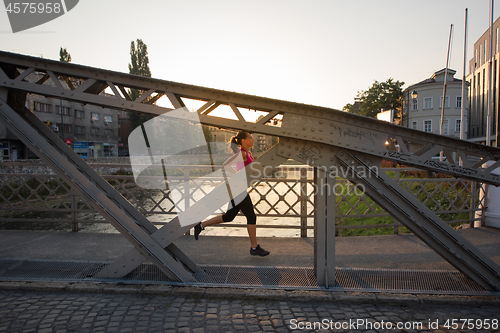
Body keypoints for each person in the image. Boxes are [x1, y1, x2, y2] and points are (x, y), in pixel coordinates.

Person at [193, 130, 270, 256]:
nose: (253, 139)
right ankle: (254, 247)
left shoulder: (248, 153)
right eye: (250, 138)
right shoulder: (242, 153)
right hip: (237, 189)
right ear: (244, 141)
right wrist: (239, 175)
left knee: (229, 217)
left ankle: (200, 225)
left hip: (238, 188)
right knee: (251, 217)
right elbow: (226, 165)